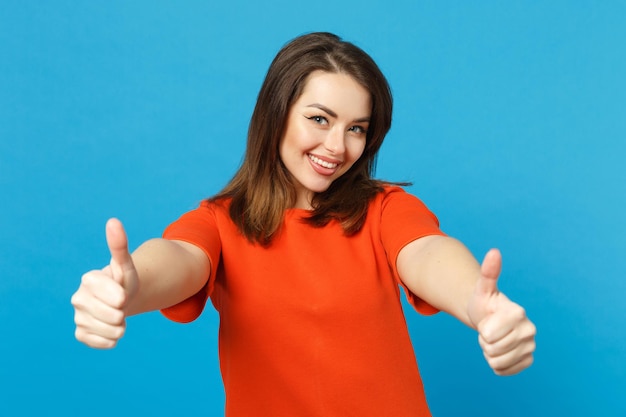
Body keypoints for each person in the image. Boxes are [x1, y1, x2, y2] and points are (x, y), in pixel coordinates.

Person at [71, 32, 536, 416]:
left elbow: (426, 251)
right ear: (276, 115)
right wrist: (128, 289)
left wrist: (478, 305)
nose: (337, 146)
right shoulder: (220, 222)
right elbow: (178, 257)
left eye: (356, 128)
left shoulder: (384, 209)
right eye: (319, 119)